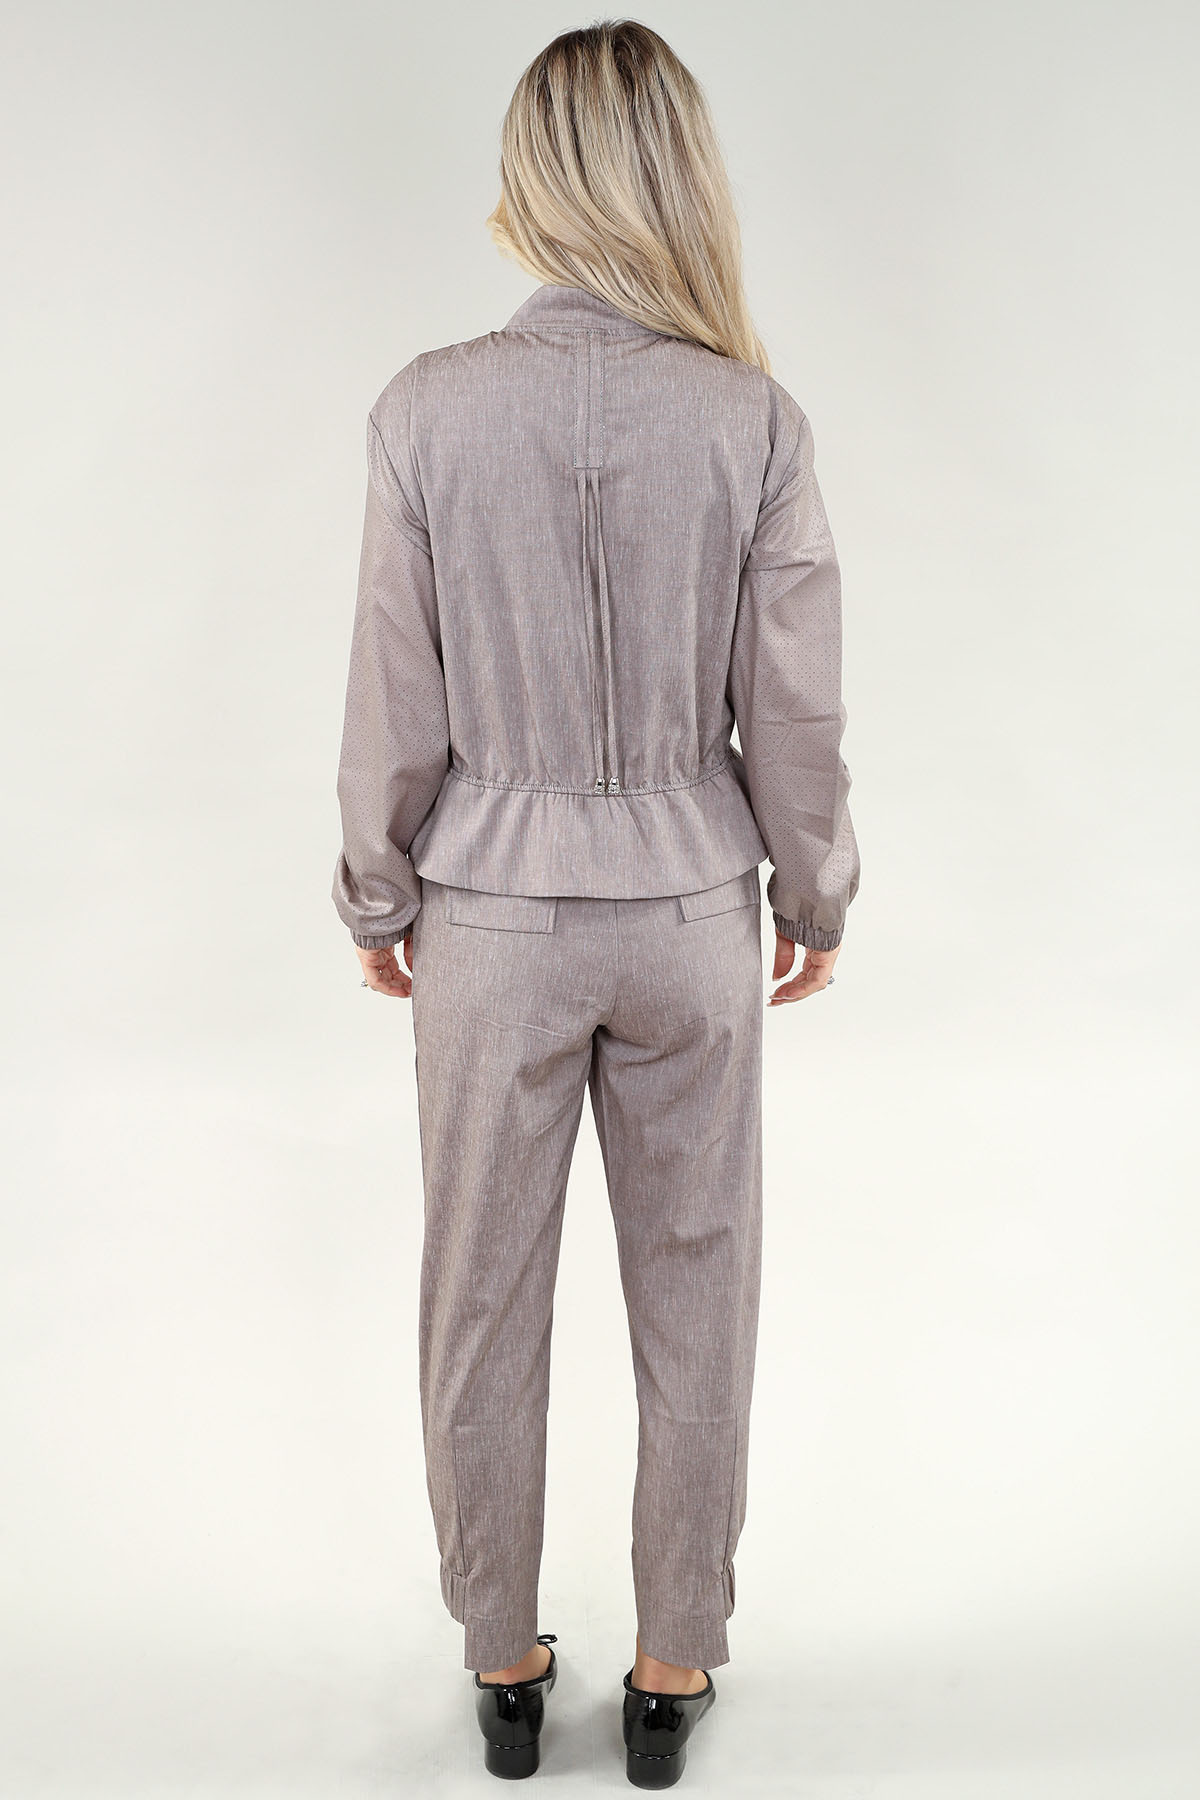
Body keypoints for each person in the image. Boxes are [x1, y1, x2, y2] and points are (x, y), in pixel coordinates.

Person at [331, 18, 861, 1788]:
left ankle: (502, 1658)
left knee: (478, 1292)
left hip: (488, 910)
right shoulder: (753, 419)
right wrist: (817, 886)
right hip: (692, 905)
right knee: (699, 1290)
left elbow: (392, 696)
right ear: (681, 177)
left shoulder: (425, 408)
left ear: (532, 174)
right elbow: (796, 708)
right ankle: (671, 1660)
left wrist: (379, 889)